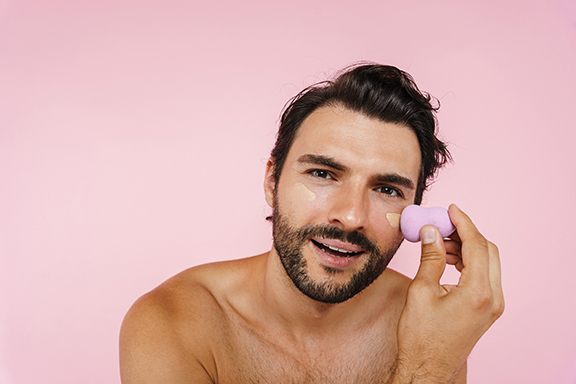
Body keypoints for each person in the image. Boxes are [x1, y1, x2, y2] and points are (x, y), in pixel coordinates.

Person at [119, 63, 504, 383]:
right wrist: (426, 373)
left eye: (386, 189)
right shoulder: (173, 323)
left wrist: (433, 361)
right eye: (323, 174)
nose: (351, 217)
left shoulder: (431, 327)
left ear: (414, 213)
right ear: (273, 181)